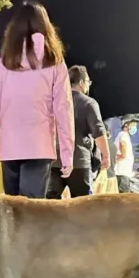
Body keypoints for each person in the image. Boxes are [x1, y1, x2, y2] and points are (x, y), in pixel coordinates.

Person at [0, 1, 74, 199]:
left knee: (12, 210)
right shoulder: (55, 64)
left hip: (9, 148)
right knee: (32, 212)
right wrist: (67, 153)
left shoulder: (2, 66)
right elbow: (64, 110)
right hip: (40, 146)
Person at [46, 65, 109, 199]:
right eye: (88, 82)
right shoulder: (89, 103)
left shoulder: (54, 102)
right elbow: (98, 131)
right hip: (79, 162)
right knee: (82, 207)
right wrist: (106, 156)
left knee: (50, 206)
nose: (89, 85)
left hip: (54, 161)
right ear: (81, 83)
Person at [114, 114, 139, 192]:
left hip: (124, 174)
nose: (135, 127)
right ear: (126, 125)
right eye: (133, 124)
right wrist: (123, 156)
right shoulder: (123, 134)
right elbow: (123, 144)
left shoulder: (125, 136)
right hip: (121, 175)